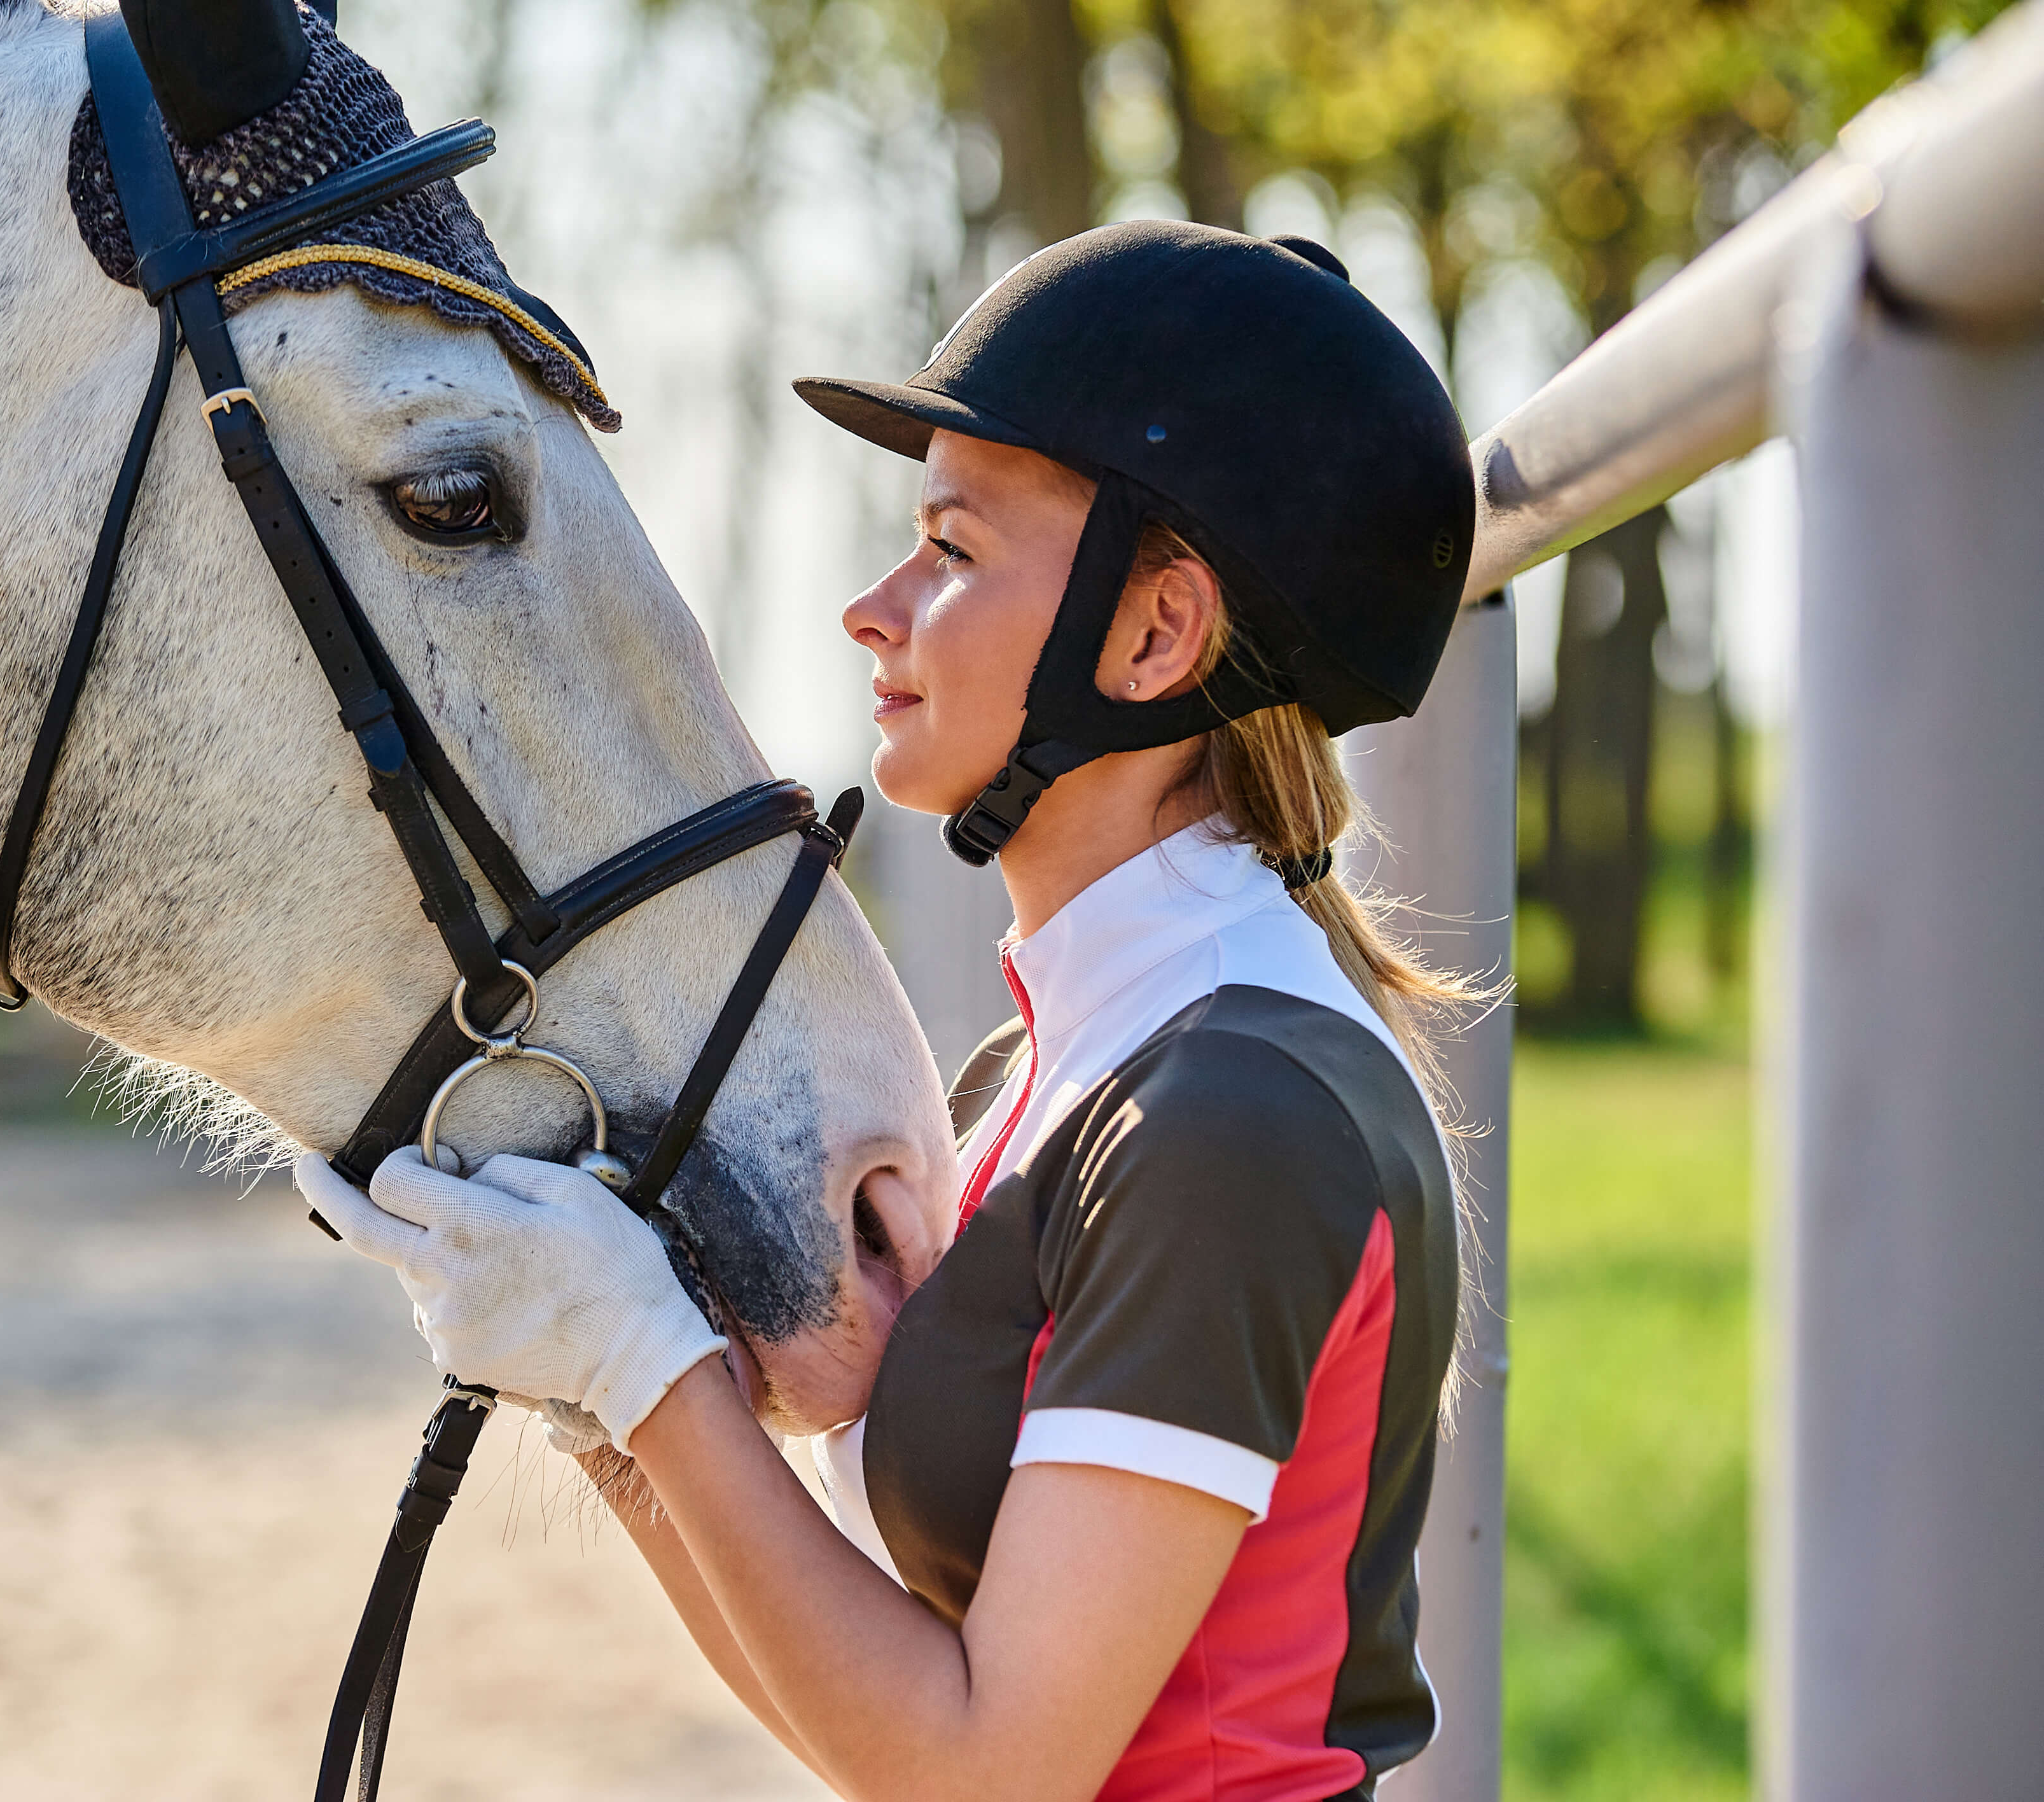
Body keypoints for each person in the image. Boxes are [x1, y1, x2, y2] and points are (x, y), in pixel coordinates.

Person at [298, 218, 1482, 1802]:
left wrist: (651, 1373)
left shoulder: (1227, 1119)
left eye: (951, 550)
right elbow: (868, 1710)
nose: (870, 606)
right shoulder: (1069, 1060)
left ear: (1152, 636)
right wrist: (592, 1387)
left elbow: (985, 1768)